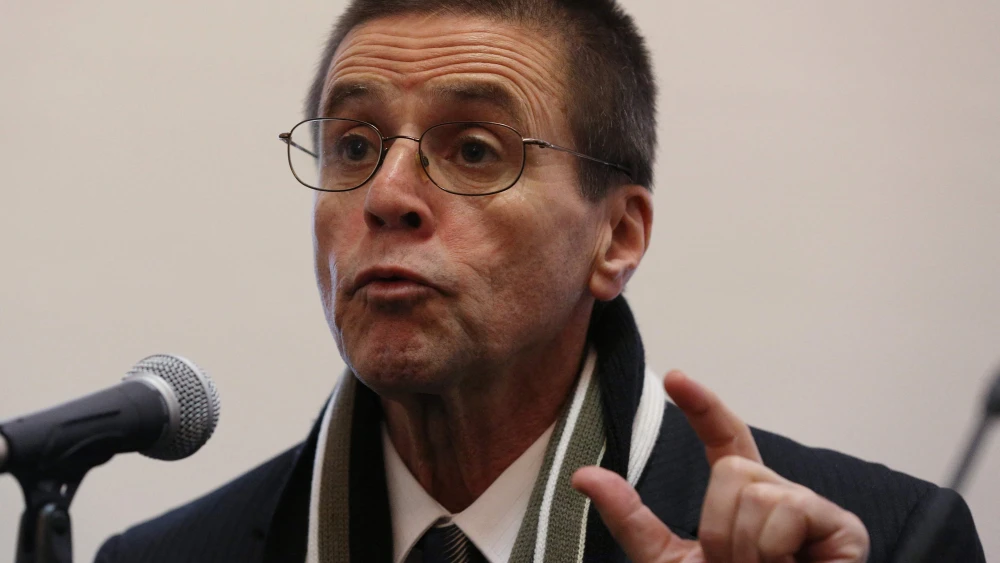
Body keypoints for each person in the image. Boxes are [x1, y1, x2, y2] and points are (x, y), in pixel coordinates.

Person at [95, 1, 984, 561]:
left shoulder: (886, 541)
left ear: (617, 234)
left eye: (475, 149)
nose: (387, 196)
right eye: (354, 146)